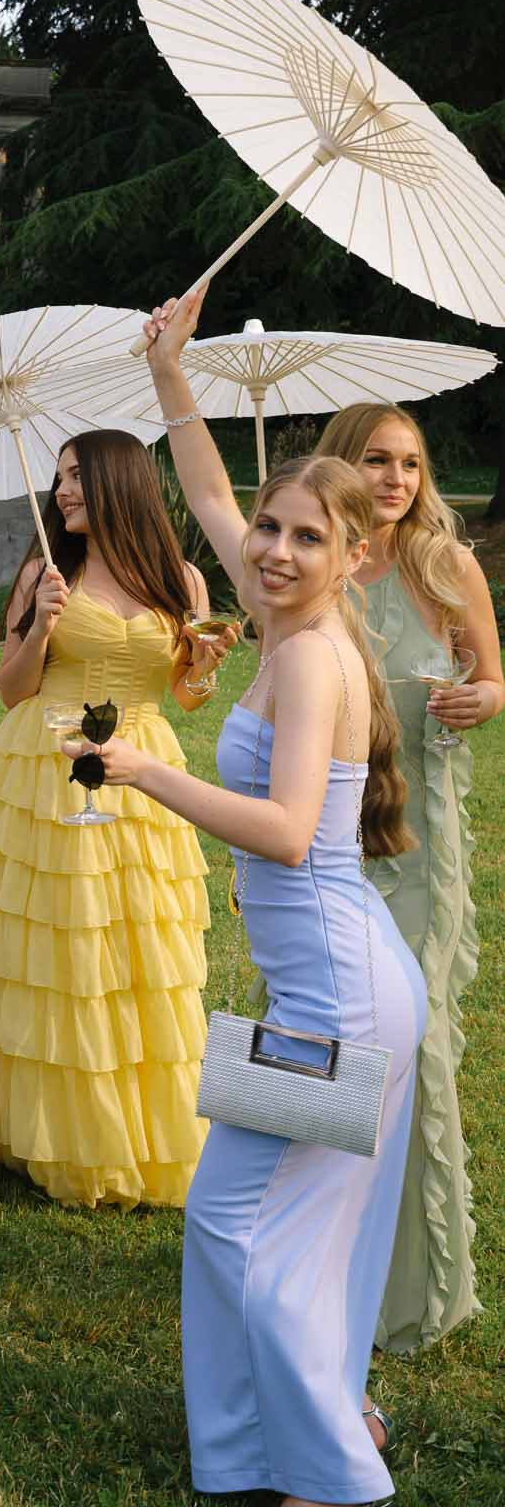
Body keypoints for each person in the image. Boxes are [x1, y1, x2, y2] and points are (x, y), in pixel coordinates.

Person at [112, 288, 426, 1507]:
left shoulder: (308, 655)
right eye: (272, 529)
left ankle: (330, 1466)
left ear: (354, 555)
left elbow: (293, 830)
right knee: (301, 1220)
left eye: (306, 537)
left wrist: (149, 774)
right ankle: (318, 1420)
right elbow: (204, 497)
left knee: (237, 1215)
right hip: (338, 982)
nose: (275, 550)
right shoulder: (295, 617)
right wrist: (171, 377)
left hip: (336, 999)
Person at [0, 430, 235, 1208]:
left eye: (77, 480)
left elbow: (185, 695)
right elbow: (12, 689)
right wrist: (40, 626)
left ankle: (134, 1128)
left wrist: (203, 668)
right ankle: (29, 1125)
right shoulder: (45, 572)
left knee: (136, 947)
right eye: (59, 481)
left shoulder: (181, 578)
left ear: (121, 483)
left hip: (144, 768)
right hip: (47, 764)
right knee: (51, 943)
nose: (63, 494)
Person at [315, 401, 501, 1351]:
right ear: (345, 466)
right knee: (332, 1036)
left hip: (420, 845)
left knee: (413, 1041)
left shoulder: (446, 566)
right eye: (379, 461)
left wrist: (482, 695)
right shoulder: (322, 571)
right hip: (327, 839)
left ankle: (414, 1279)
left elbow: (496, 679)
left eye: (412, 464)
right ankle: (320, 1254)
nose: (396, 480)